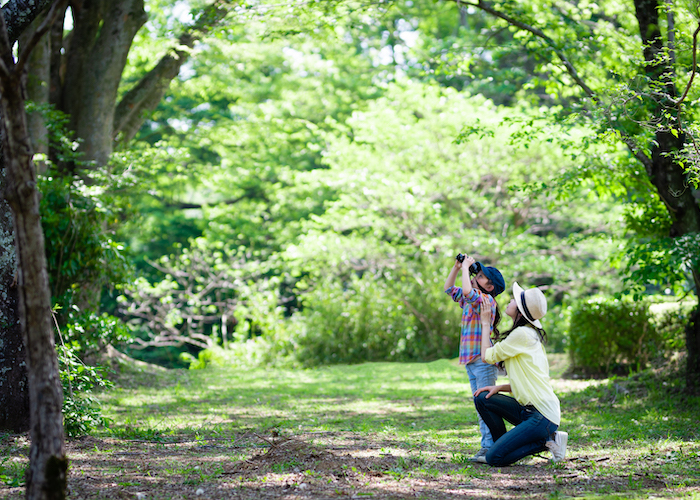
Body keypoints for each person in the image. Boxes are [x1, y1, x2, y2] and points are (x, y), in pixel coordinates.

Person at [472, 282, 568, 466]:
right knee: (483, 398)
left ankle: (548, 441)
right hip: (529, 410)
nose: (510, 300)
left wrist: (485, 323)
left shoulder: (522, 334)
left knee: (495, 459)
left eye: (514, 299)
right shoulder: (526, 335)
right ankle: (501, 445)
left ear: (521, 311)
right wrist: (500, 387)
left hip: (542, 416)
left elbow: (486, 356)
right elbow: (530, 381)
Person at [444, 253, 505, 462]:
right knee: (480, 406)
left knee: (485, 406)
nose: (474, 276)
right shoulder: (472, 299)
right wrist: (456, 268)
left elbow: (468, 292)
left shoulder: (486, 300)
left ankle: (489, 447)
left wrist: (465, 269)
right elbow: (449, 289)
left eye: (480, 276)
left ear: (489, 287)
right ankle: (488, 446)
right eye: (476, 274)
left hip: (483, 361)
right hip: (471, 361)